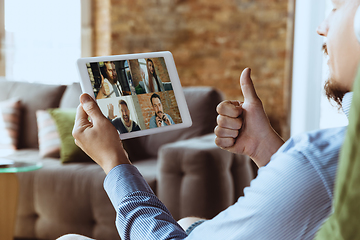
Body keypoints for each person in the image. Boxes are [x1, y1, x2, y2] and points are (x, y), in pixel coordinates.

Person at [65, 0, 360, 239]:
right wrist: (266, 149)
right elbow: (315, 204)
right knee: (188, 220)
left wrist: (115, 162)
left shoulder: (323, 159)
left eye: (335, 8)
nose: (322, 28)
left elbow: (314, 180)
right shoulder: (334, 158)